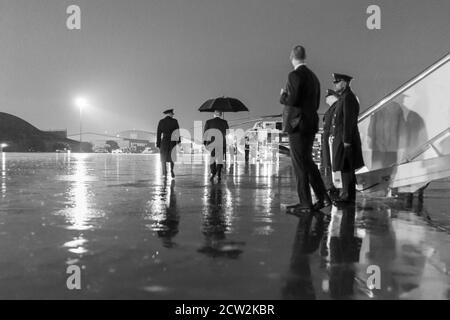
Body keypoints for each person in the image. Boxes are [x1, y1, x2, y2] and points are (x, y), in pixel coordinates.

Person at [280, 45, 331, 213]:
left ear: (291, 57)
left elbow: (293, 100)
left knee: (299, 164)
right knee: (308, 162)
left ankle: (305, 202)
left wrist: (283, 96)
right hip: (311, 123)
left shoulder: (294, 75)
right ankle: (322, 197)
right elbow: (315, 103)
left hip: (298, 125)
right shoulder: (314, 77)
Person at [330, 73, 365, 204]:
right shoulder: (344, 97)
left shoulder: (348, 98)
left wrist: (346, 140)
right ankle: (346, 194)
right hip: (343, 139)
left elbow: (348, 121)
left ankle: (347, 196)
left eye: (337, 82)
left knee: (347, 168)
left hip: (346, 140)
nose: (335, 84)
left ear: (344, 83)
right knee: (345, 167)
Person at [322, 89, 340, 200]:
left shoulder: (336, 108)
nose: (326, 99)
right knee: (329, 163)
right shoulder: (332, 108)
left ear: (333, 97)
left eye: (327, 96)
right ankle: (331, 185)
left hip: (332, 140)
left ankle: (335, 186)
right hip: (328, 141)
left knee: (333, 163)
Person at [204, 110, 229, 182]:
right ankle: (219, 174)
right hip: (222, 143)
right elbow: (228, 133)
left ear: (214, 114)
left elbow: (205, 133)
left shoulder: (208, 122)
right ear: (221, 115)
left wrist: (205, 143)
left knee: (212, 159)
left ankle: (213, 172)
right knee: (220, 159)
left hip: (212, 143)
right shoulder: (225, 122)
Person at [156, 109, 181, 178]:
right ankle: (171, 171)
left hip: (164, 142)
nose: (173, 115)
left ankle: (164, 173)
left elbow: (158, 133)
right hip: (172, 142)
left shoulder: (161, 121)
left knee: (163, 158)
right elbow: (177, 132)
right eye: (172, 114)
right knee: (172, 158)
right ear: (169, 114)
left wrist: (158, 144)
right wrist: (178, 142)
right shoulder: (175, 121)